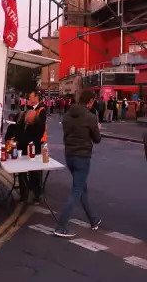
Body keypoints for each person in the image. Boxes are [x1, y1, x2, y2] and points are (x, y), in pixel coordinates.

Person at [54, 89, 102, 237]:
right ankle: (61, 226)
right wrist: (97, 129)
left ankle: (92, 220)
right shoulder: (90, 117)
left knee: (81, 188)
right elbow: (97, 139)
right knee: (76, 191)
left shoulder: (67, 115)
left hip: (69, 155)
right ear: (90, 101)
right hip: (82, 156)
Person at [16, 91, 47, 203]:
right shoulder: (26, 108)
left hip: (36, 143)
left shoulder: (41, 110)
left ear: (37, 98)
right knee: (22, 171)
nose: (29, 98)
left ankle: (36, 194)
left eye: (31, 96)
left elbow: (40, 127)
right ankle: (24, 194)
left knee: (35, 171)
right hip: (24, 144)